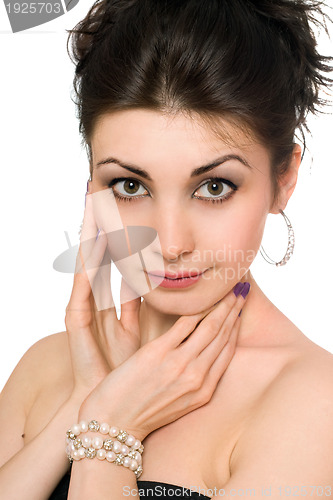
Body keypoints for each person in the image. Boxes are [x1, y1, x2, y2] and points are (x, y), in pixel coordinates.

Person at [1, 0, 333, 498]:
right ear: (91, 185)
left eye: (215, 188)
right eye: (130, 186)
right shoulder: (48, 365)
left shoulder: (314, 403)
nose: (171, 244)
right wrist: (83, 403)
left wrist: (109, 433)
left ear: (283, 181)